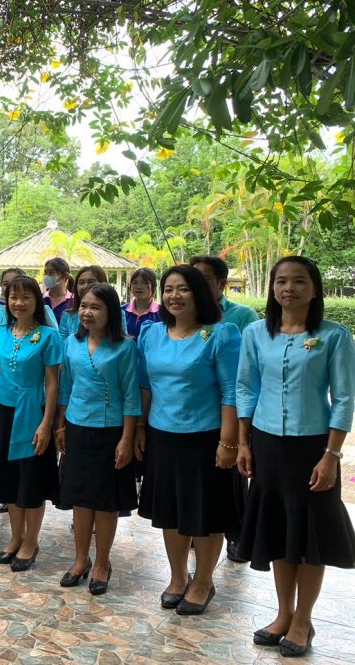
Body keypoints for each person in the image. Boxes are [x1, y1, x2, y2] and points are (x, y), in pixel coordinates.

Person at [236, 256, 355, 657]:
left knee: (309, 535)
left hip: (313, 448)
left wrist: (331, 455)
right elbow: (245, 388)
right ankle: (283, 613)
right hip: (266, 444)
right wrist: (244, 443)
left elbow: (344, 398)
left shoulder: (334, 336)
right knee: (278, 530)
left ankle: (304, 619)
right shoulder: (255, 333)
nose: (289, 288)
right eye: (281, 281)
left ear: (314, 288)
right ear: (273, 288)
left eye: (299, 281)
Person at [134, 264, 241, 616]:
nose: (174, 296)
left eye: (183, 289)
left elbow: (231, 391)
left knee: (206, 513)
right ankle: (178, 576)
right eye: (168, 289)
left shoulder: (220, 335)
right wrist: (139, 428)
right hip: (162, 435)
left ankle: (204, 581)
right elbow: (145, 385)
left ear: (199, 293)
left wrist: (229, 442)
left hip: (206, 439)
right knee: (171, 511)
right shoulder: (152, 333)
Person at [56, 283, 140, 595]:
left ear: (111, 312)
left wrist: (127, 439)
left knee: (105, 502)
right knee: (80, 498)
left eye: (96, 307)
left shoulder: (124, 347)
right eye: (84, 306)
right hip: (77, 427)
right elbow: (66, 387)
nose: (87, 312)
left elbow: (131, 395)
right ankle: (81, 560)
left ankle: (102, 562)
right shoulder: (72, 342)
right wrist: (61, 427)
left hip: (111, 430)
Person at [0, 275, 62, 572]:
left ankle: (31, 541)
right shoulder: (3, 332)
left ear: (36, 301)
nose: (19, 303)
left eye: (26, 297)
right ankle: (15, 538)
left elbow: (52, 383)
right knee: (9, 477)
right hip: (3, 412)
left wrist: (46, 423)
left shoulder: (48, 336)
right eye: (14, 297)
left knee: (31, 479)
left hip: (32, 413)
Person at [190, 253, 260, 562]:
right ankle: (200, 532)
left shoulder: (242, 316)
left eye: (204, 279)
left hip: (234, 406)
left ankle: (237, 535)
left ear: (221, 283)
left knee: (231, 474)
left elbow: (250, 365)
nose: (197, 285)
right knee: (204, 479)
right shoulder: (186, 315)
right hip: (199, 409)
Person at [190, 254, 260, 331]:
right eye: (193, 278)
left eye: (204, 279)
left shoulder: (244, 315)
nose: (196, 283)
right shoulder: (184, 314)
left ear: (222, 283)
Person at [58, 266, 108, 339]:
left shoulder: (115, 313)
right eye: (81, 282)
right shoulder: (67, 315)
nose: (85, 286)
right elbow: (62, 342)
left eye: (91, 282)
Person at [122, 267, 160, 339]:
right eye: (135, 283)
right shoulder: (121, 311)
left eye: (145, 283)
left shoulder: (163, 313)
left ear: (153, 286)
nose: (139, 287)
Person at [42, 257, 74, 324]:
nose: (46, 276)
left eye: (51, 272)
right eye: (45, 273)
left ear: (64, 276)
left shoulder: (74, 300)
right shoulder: (39, 299)